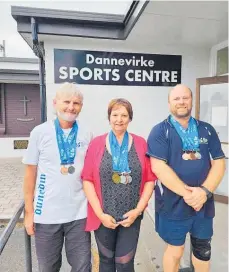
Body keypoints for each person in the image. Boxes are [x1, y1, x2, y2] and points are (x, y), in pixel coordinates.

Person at [147, 84, 226, 272]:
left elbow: (219, 162)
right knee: (176, 250)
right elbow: (158, 167)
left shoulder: (206, 129)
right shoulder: (160, 131)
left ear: (191, 100)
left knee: (202, 249)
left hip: (203, 204)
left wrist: (204, 192)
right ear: (169, 103)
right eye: (176, 98)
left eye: (185, 98)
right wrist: (190, 195)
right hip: (173, 203)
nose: (181, 102)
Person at [23, 82, 92, 272]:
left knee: (82, 267)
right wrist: (29, 213)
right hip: (46, 215)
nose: (71, 107)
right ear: (55, 103)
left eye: (76, 103)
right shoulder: (39, 132)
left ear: (81, 107)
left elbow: (91, 173)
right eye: (67, 101)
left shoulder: (87, 133)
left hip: (79, 214)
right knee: (48, 268)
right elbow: (29, 175)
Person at [82, 98, 156, 272]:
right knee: (106, 261)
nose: (119, 119)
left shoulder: (140, 143)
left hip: (131, 216)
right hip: (103, 217)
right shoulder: (96, 144)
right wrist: (100, 214)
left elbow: (149, 180)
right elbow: (87, 180)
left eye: (124, 115)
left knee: (124, 263)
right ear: (109, 117)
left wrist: (138, 210)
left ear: (130, 118)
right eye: (115, 115)